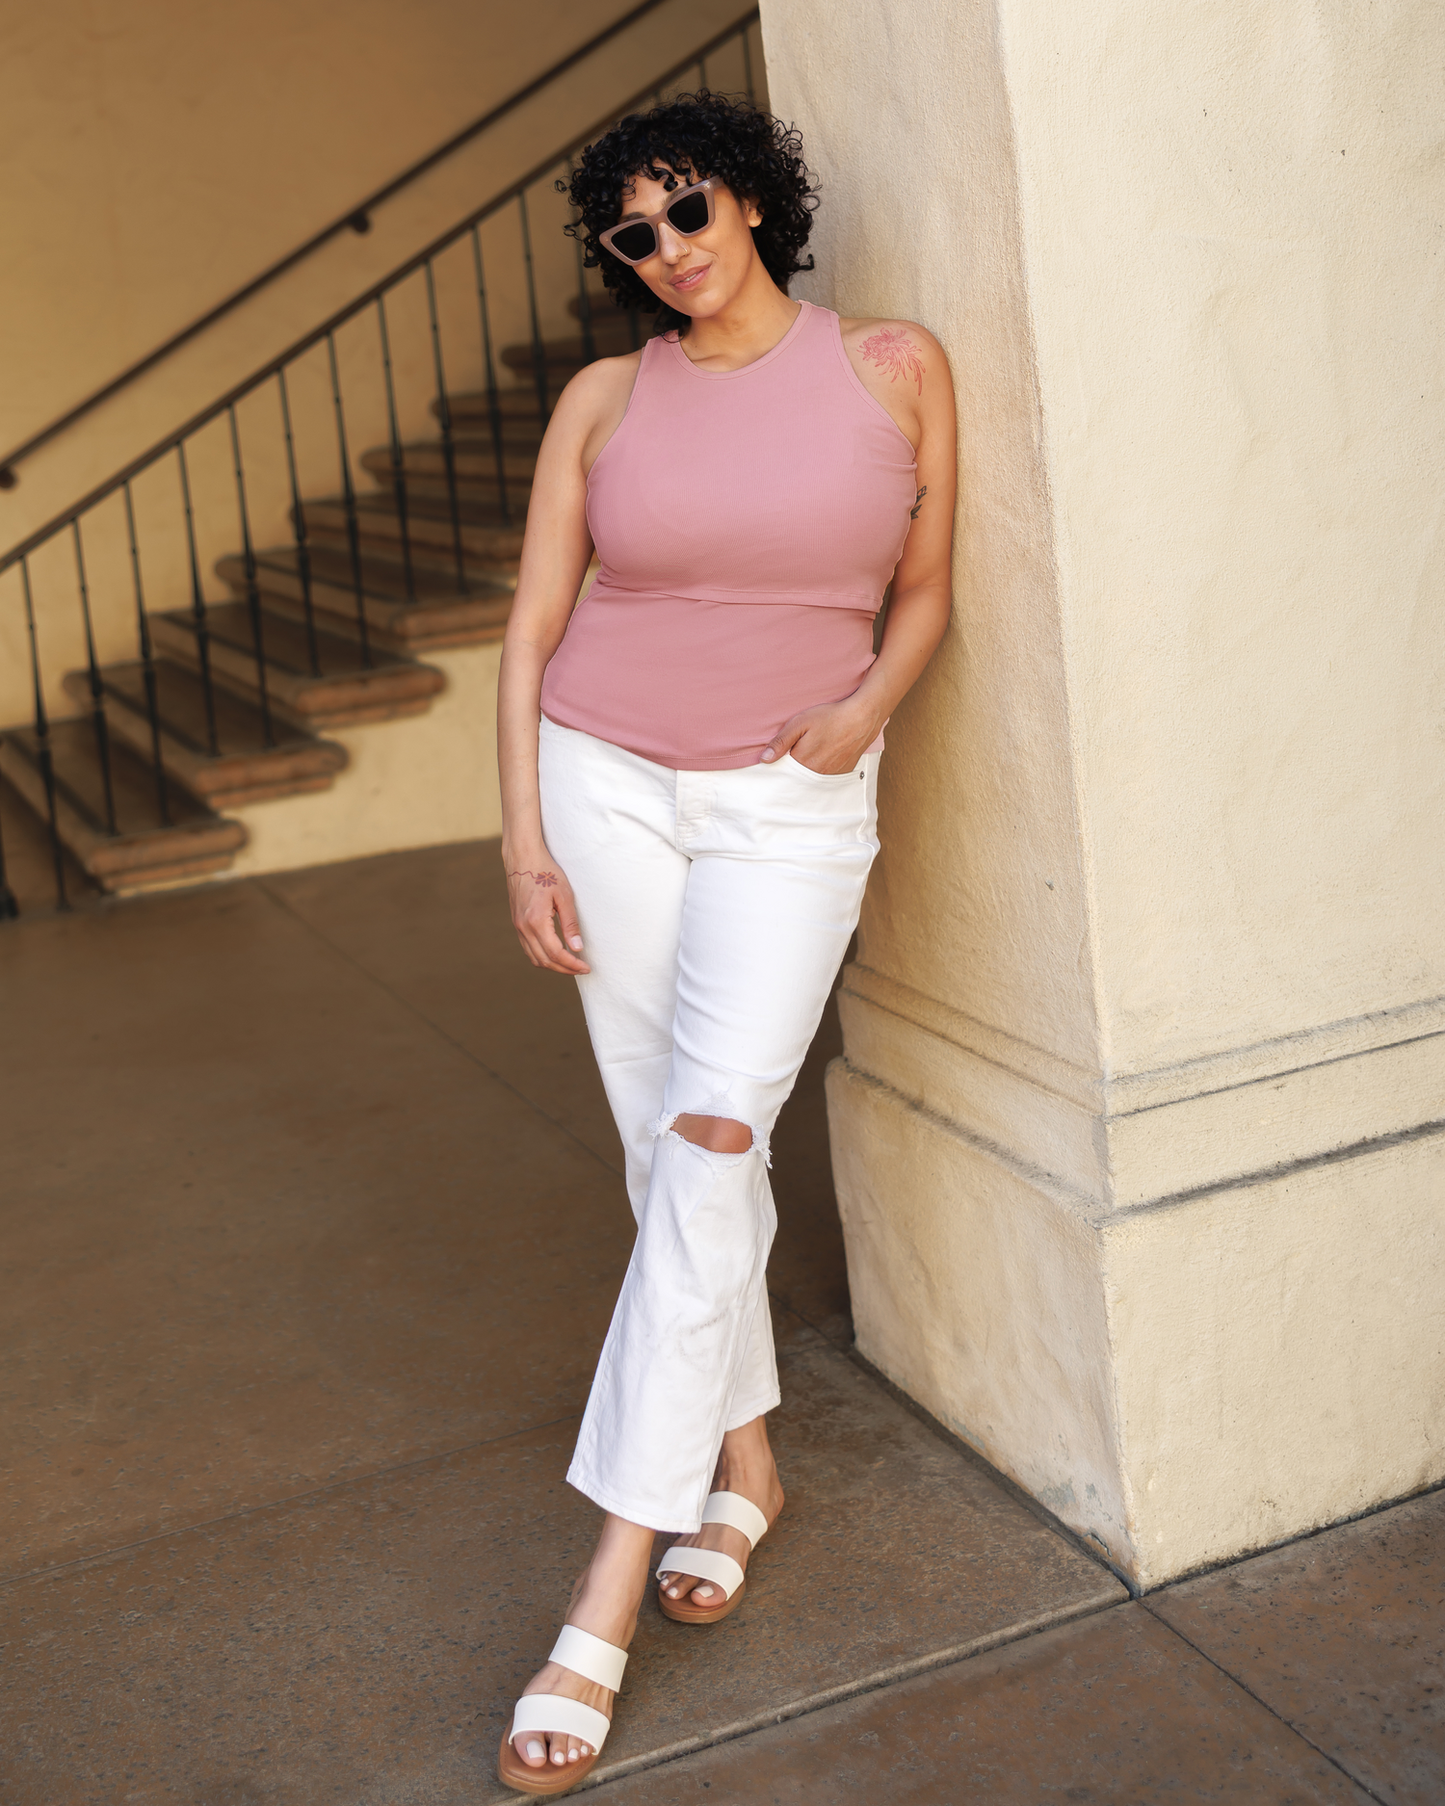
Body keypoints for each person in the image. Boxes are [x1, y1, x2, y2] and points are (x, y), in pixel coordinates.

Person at [494, 89, 955, 1794]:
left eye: (686, 210)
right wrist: (524, 832)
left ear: (750, 200)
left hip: (786, 799)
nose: (669, 251)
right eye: (634, 235)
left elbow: (925, 586)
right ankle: (743, 1466)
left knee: (712, 1131)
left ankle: (601, 1590)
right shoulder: (608, 398)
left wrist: (866, 709)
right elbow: (538, 618)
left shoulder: (893, 364)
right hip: (603, 782)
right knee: (666, 1147)